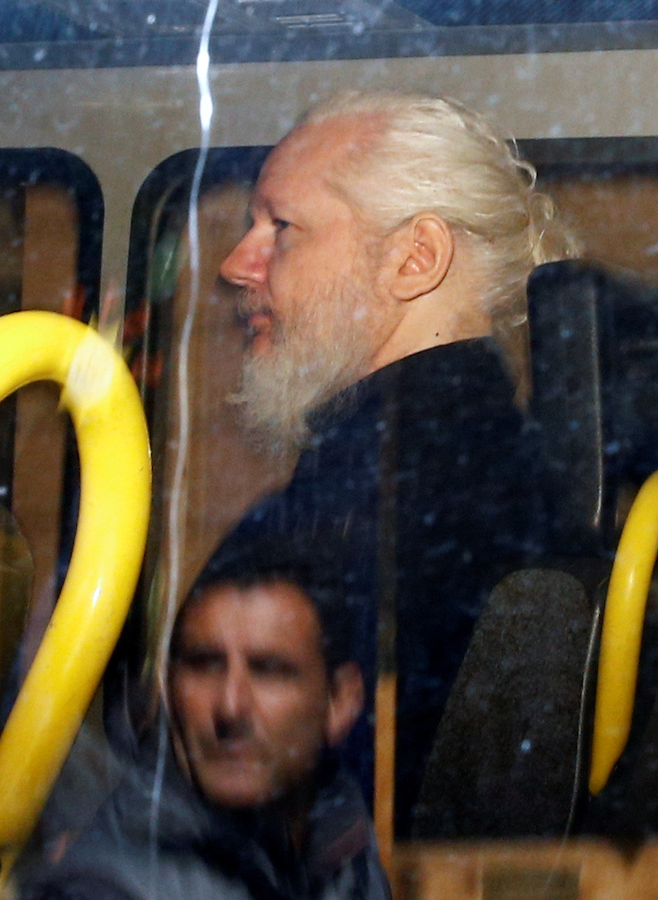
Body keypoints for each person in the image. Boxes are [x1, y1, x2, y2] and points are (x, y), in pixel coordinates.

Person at [212, 91, 568, 834]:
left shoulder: (371, 500)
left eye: (282, 228)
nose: (237, 265)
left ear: (415, 259)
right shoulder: (504, 462)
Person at [21, 541, 389, 900]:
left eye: (268, 670)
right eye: (204, 664)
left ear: (341, 701)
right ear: (167, 689)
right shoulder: (106, 884)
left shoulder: (345, 851)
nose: (230, 707)